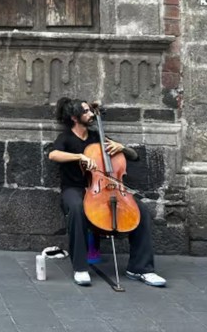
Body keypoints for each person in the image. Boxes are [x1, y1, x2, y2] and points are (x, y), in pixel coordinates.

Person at [48, 97, 167, 288]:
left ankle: (141, 268)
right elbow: (53, 154)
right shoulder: (66, 138)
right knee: (77, 208)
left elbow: (133, 156)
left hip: (106, 188)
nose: (90, 114)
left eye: (90, 110)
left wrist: (123, 148)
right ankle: (80, 267)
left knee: (142, 211)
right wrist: (80, 157)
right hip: (74, 188)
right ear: (74, 118)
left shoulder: (97, 137)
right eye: (86, 111)